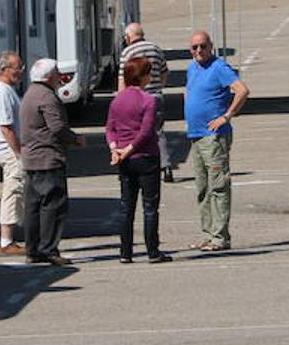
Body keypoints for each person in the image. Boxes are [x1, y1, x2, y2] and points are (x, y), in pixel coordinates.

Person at [183, 30, 249, 251]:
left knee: (218, 186)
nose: (199, 51)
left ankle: (220, 237)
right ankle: (208, 233)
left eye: (203, 46)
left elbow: (242, 90)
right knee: (202, 187)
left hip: (214, 137)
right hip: (196, 135)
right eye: (194, 47)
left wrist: (226, 116)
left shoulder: (219, 67)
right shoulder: (192, 68)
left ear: (211, 46)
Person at [18, 58, 83, 266]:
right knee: (53, 205)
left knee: (33, 206)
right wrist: (74, 139)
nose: (60, 76)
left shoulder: (30, 94)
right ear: (48, 76)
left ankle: (33, 249)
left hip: (31, 158)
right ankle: (48, 249)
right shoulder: (47, 97)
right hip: (48, 158)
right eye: (56, 73)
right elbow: (56, 127)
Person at [106, 56, 170, 264]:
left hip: (125, 160)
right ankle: (152, 250)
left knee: (127, 207)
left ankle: (125, 252)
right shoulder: (147, 100)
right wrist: (130, 149)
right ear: (142, 76)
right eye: (148, 73)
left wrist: (115, 149)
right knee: (150, 206)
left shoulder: (117, 100)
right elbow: (146, 131)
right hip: (146, 157)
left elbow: (110, 128)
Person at [119, 22, 172, 181]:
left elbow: (122, 79)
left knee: (135, 132)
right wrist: (158, 87)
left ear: (129, 37)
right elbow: (164, 73)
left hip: (137, 99)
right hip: (156, 96)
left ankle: (137, 165)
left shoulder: (128, 52)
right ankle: (166, 166)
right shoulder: (156, 49)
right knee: (158, 132)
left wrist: (121, 100)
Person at [0, 51, 25, 257]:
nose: (20, 72)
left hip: (12, 148)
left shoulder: (8, 89)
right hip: (9, 149)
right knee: (13, 189)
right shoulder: (2, 92)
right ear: (5, 69)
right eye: (17, 68)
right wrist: (19, 152)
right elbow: (6, 127)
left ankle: (10, 238)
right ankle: (6, 240)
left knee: (17, 189)